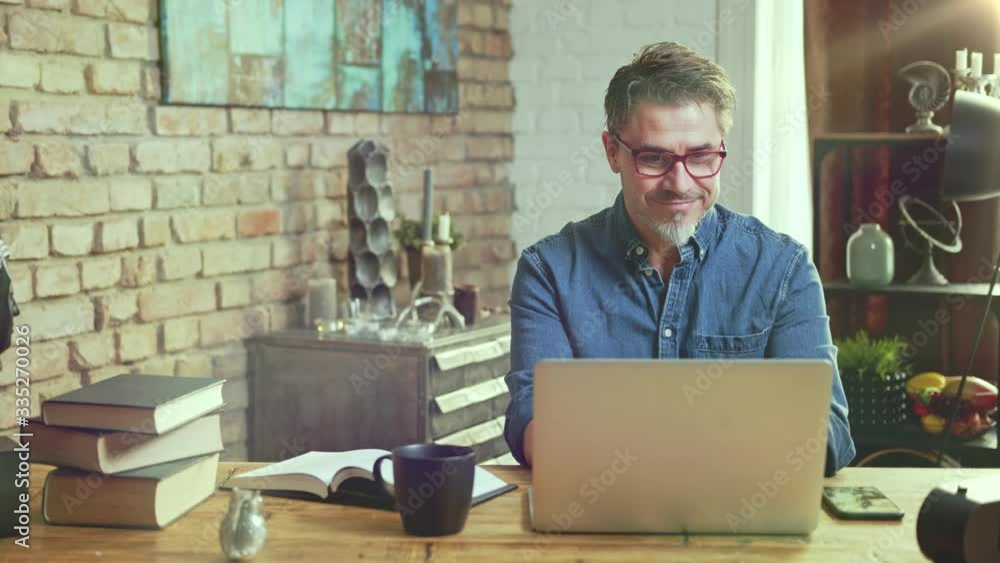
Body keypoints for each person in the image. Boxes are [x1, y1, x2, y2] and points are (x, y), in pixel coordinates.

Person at [503, 42, 855, 477]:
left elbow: (829, 433)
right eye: (654, 158)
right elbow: (534, 425)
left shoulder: (783, 267)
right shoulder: (549, 272)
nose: (680, 182)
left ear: (721, 148)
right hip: (597, 525)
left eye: (702, 156)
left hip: (745, 524)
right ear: (612, 151)